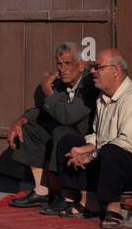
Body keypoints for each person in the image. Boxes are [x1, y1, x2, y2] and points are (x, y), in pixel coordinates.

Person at [50, 48, 132, 228]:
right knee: (68, 141)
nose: (93, 72)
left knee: (111, 152)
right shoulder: (103, 97)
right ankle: (86, 198)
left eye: (98, 67)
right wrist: (84, 149)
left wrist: (92, 155)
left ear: (116, 71)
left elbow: (126, 143)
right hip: (109, 157)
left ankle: (113, 207)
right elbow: (98, 135)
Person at [6, 43, 97, 208]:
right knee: (29, 130)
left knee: (61, 131)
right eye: (59, 64)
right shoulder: (62, 83)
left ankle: (68, 193)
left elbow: (67, 117)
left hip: (85, 140)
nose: (62, 69)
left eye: (68, 64)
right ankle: (42, 191)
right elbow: (44, 110)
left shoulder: (88, 85)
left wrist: (48, 91)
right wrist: (21, 120)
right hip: (65, 134)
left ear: (81, 66)